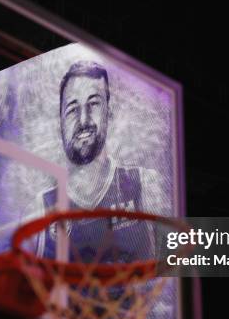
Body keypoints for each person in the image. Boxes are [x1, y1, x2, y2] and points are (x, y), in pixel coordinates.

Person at [28, 60, 171, 260]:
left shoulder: (145, 185)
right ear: (59, 122)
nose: (84, 120)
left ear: (108, 112)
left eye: (94, 103)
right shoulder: (41, 208)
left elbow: (178, 278)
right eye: (72, 109)